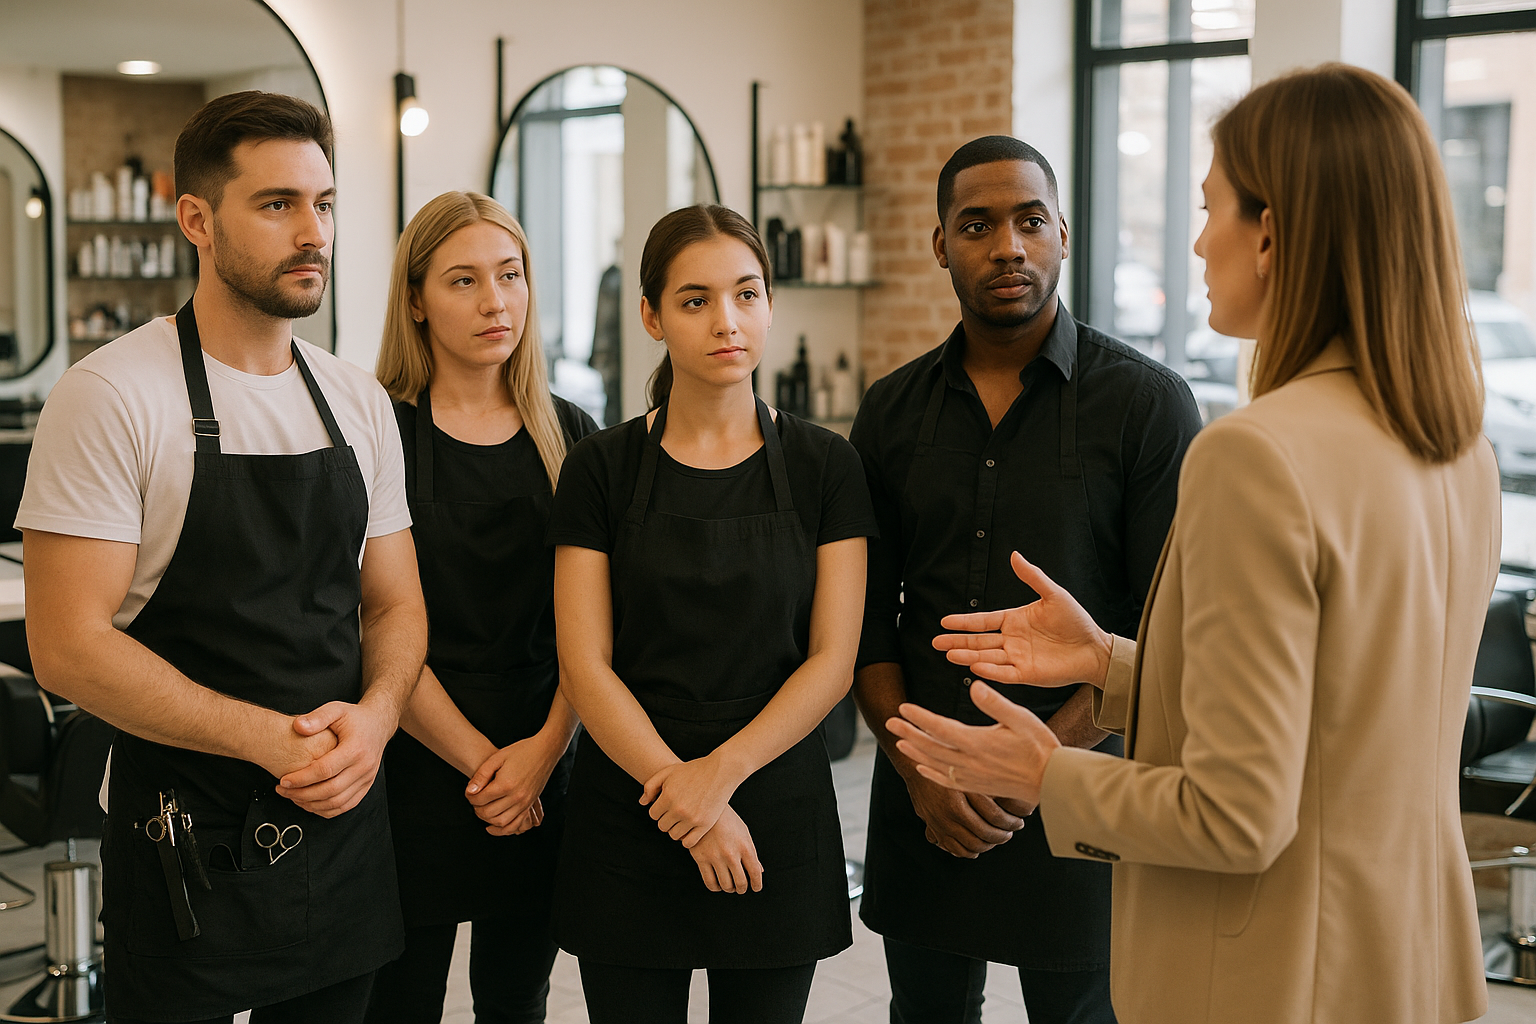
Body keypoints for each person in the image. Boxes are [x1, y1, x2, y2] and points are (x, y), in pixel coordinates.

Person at [893, 65, 1496, 1024]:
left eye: (1211, 206)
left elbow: (1236, 817)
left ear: (1272, 231)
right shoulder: (1458, 446)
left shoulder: (1254, 455)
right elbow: (1339, 720)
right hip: (1406, 955)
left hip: (1278, 966)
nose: (1198, 238)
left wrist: (1043, 773)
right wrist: (1110, 662)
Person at [18, 91, 427, 1023]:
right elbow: (68, 646)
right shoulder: (112, 396)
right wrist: (270, 740)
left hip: (342, 826)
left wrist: (374, 721)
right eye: (278, 204)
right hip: (182, 838)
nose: (313, 231)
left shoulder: (356, 402)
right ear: (195, 218)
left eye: (324, 204)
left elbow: (395, 605)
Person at [847, 135, 1200, 1024]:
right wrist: (919, 770)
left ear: (1063, 235)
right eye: (977, 224)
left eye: (1029, 220)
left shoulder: (1147, 407)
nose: (1007, 245)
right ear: (940, 246)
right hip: (926, 794)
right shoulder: (890, 412)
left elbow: (1172, 635)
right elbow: (865, 622)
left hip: (1087, 792)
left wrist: (1041, 769)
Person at [548, 204, 875, 1024]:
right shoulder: (601, 468)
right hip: (630, 800)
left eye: (746, 294)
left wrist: (714, 785)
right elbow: (586, 666)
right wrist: (686, 805)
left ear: (770, 303)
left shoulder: (826, 465)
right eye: (695, 301)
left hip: (772, 799)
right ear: (653, 316)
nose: (726, 321)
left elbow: (832, 661)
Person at [364, 192, 597, 1023]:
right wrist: (481, 763)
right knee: (401, 998)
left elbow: (593, 630)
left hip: (544, 751)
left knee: (517, 997)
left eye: (510, 275)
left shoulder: (571, 435)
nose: (495, 302)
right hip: (414, 760)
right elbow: (372, 625)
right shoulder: (376, 433)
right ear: (417, 300)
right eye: (464, 280)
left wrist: (540, 755)